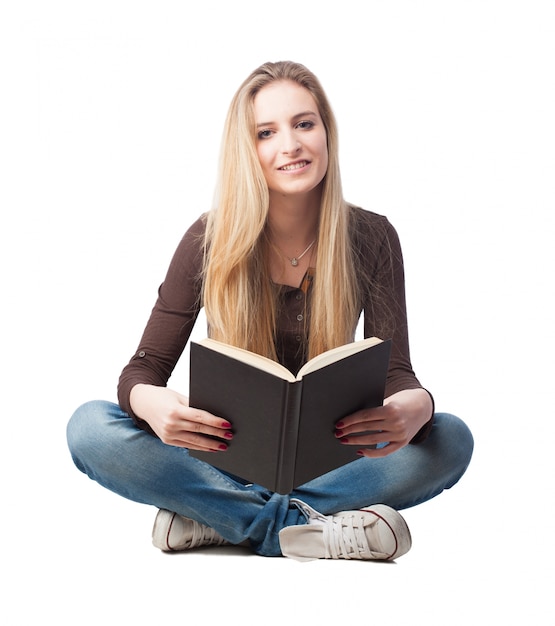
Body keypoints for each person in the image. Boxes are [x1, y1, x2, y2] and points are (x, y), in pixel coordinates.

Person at [67, 60, 473, 561]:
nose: (291, 145)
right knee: (89, 427)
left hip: (335, 465)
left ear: (327, 132)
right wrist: (154, 405)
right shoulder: (206, 239)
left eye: (304, 123)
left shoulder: (372, 237)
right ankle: (306, 529)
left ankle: (222, 519)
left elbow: (397, 373)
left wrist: (417, 406)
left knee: (450, 437)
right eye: (266, 132)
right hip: (222, 460)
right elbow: (143, 370)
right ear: (247, 149)